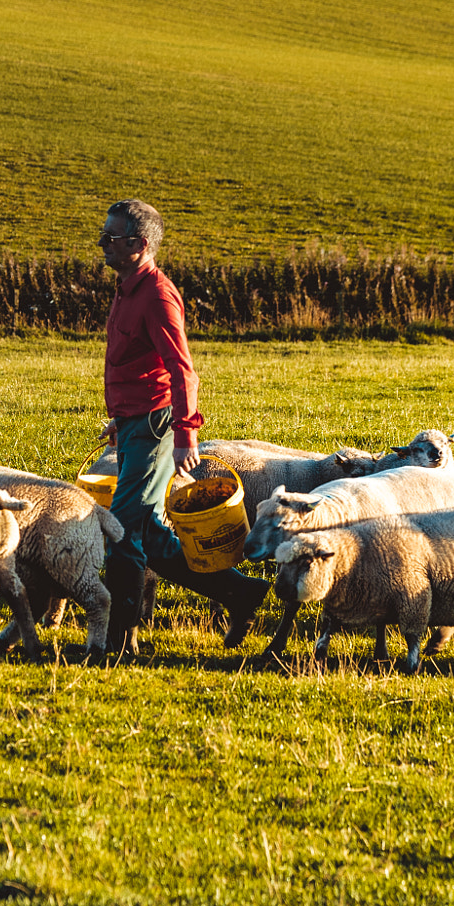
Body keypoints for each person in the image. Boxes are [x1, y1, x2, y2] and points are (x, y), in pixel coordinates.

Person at [97, 198, 269, 661]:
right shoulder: (125, 288)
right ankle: (239, 593)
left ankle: (117, 644)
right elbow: (134, 363)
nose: (102, 244)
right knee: (149, 535)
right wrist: (121, 417)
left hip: (155, 430)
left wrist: (185, 435)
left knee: (123, 531)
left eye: (110, 238)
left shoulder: (156, 295)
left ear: (140, 244)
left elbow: (181, 370)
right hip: (136, 424)